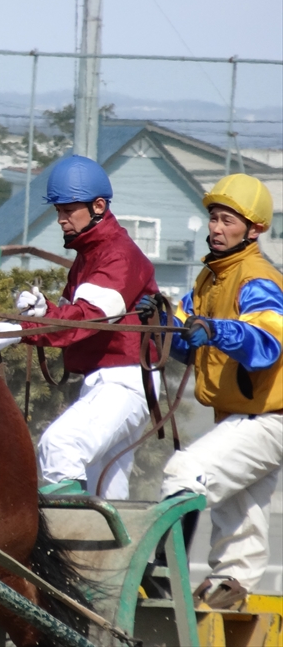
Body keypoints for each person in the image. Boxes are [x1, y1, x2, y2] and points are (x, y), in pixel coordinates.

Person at [0, 155, 159, 499]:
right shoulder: (90, 256)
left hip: (122, 383)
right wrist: (43, 311)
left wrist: (21, 330)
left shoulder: (118, 255)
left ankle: (66, 535)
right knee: (106, 495)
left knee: (60, 446)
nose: (61, 220)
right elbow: (71, 315)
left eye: (68, 211)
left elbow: (87, 318)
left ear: (98, 207)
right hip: (106, 383)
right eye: (58, 211)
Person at [150, 174, 282, 610]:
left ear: (253, 229)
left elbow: (267, 343)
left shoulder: (257, 279)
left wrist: (217, 330)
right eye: (213, 218)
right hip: (239, 414)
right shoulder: (209, 278)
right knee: (240, 511)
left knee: (185, 471)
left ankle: (162, 577)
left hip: (268, 418)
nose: (217, 228)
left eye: (228, 221)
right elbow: (187, 342)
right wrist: (159, 321)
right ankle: (230, 587)